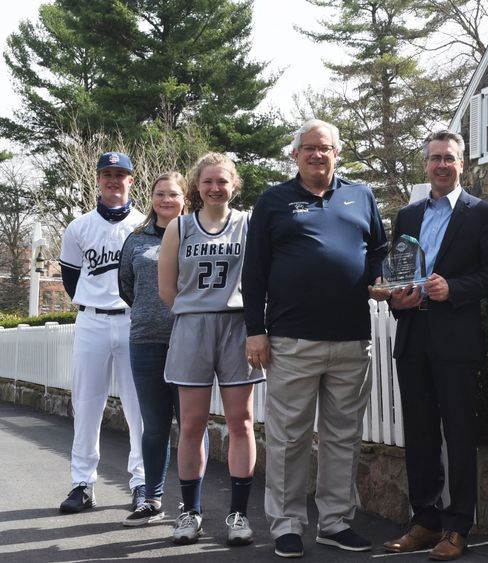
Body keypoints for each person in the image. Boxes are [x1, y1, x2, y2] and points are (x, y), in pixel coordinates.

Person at [242, 119, 388, 559]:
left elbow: (378, 250)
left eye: (324, 148)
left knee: (343, 436)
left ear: (336, 152)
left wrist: (381, 279)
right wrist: (255, 330)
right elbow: (254, 271)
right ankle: (286, 525)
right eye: (308, 148)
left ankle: (336, 522)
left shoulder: (360, 196)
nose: (316, 155)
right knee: (289, 437)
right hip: (291, 339)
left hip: (350, 338)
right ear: (295, 154)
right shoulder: (273, 201)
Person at [376, 131, 488, 561]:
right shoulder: (409, 215)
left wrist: (454, 288)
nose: (441, 166)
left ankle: (457, 526)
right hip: (413, 336)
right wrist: (398, 299)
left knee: (458, 434)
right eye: (434, 159)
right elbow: (399, 273)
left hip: (455, 340)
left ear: (462, 164)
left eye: (449, 159)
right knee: (419, 434)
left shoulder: (482, 215)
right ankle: (426, 520)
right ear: (426, 165)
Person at [158, 153, 265, 546]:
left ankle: (238, 515)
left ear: (234, 184)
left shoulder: (249, 223)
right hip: (193, 326)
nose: (215, 188)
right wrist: (194, 313)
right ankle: (189, 512)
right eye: (208, 182)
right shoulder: (180, 228)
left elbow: (260, 277)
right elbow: (167, 288)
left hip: (237, 324)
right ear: (196, 186)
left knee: (241, 421)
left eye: (222, 181)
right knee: (191, 424)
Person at [118, 172, 209, 527]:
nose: (166, 200)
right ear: (151, 198)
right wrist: (151, 312)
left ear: (185, 198)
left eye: (173, 194)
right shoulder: (136, 240)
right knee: (154, 426)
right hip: (146, 342)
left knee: (191, 426)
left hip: (190, 340)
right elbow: (127, 286)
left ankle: (191, 504)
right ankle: (151, 497)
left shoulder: (199, 235)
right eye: (160, 194)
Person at [58, 151, 146, 514]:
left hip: (132, 320)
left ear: (131, 180)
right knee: (87, 404)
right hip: (92, 318)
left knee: (139, 407)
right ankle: (82, 483)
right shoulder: (78, 227)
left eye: (120, 174)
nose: (113, 180)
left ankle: (143, 483)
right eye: (107, 174)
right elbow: (70, 279)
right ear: (97, 179)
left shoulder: (144, 225)